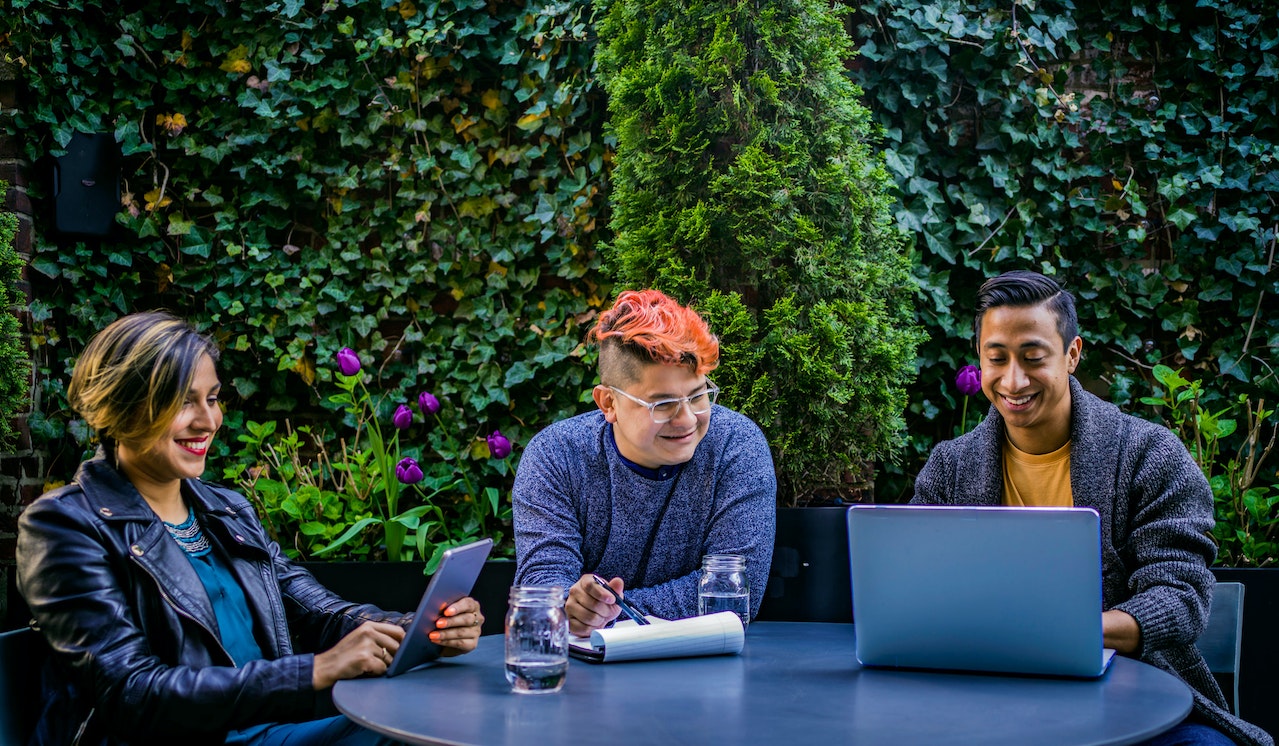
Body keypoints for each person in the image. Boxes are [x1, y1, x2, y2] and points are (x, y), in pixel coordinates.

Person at [17, 312, 485, 745]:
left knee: (440, 709)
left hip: (271, 727)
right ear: (122, 408)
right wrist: (314, 672)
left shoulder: (227, 511)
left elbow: (319, 611)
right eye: (184, 403)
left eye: (213, 398)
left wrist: (419, 630)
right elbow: (132, 692)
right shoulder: (64, 526)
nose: (208, 421)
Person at [912, 270, 1271, 746]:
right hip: (986, 700)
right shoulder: (950, 468)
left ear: (1072, 355)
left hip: (1137, 701)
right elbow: (916, 589)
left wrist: (1067, 632)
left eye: (1033, 358)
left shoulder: (1150, 456)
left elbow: (1179, 596)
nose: (1013, 380)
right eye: (996, 358)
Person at [513, 289, 776, 635]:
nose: (687, 420)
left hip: (706, 674)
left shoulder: (736, 446)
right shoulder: (556, 457)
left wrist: (605, 616)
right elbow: (545, 591)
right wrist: (570, 606)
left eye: (698, 395)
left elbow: (735, 593)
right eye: (662, 404)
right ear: (608, 403)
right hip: (589, 677)